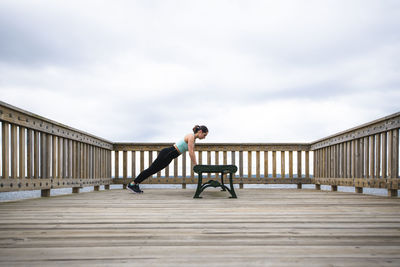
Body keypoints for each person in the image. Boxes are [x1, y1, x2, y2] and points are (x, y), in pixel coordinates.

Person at [127, 125, 209, 193]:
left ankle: (136, 184)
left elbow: (191, 151)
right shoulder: (191, 136)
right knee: (151, 169)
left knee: (152, 171)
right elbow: (191, 152)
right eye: (205, 135)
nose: (204, 138)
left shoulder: (193, 140)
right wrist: (195, 164)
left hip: (169, 157)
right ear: (200, 131)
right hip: (167, 154)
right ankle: (132, 184)